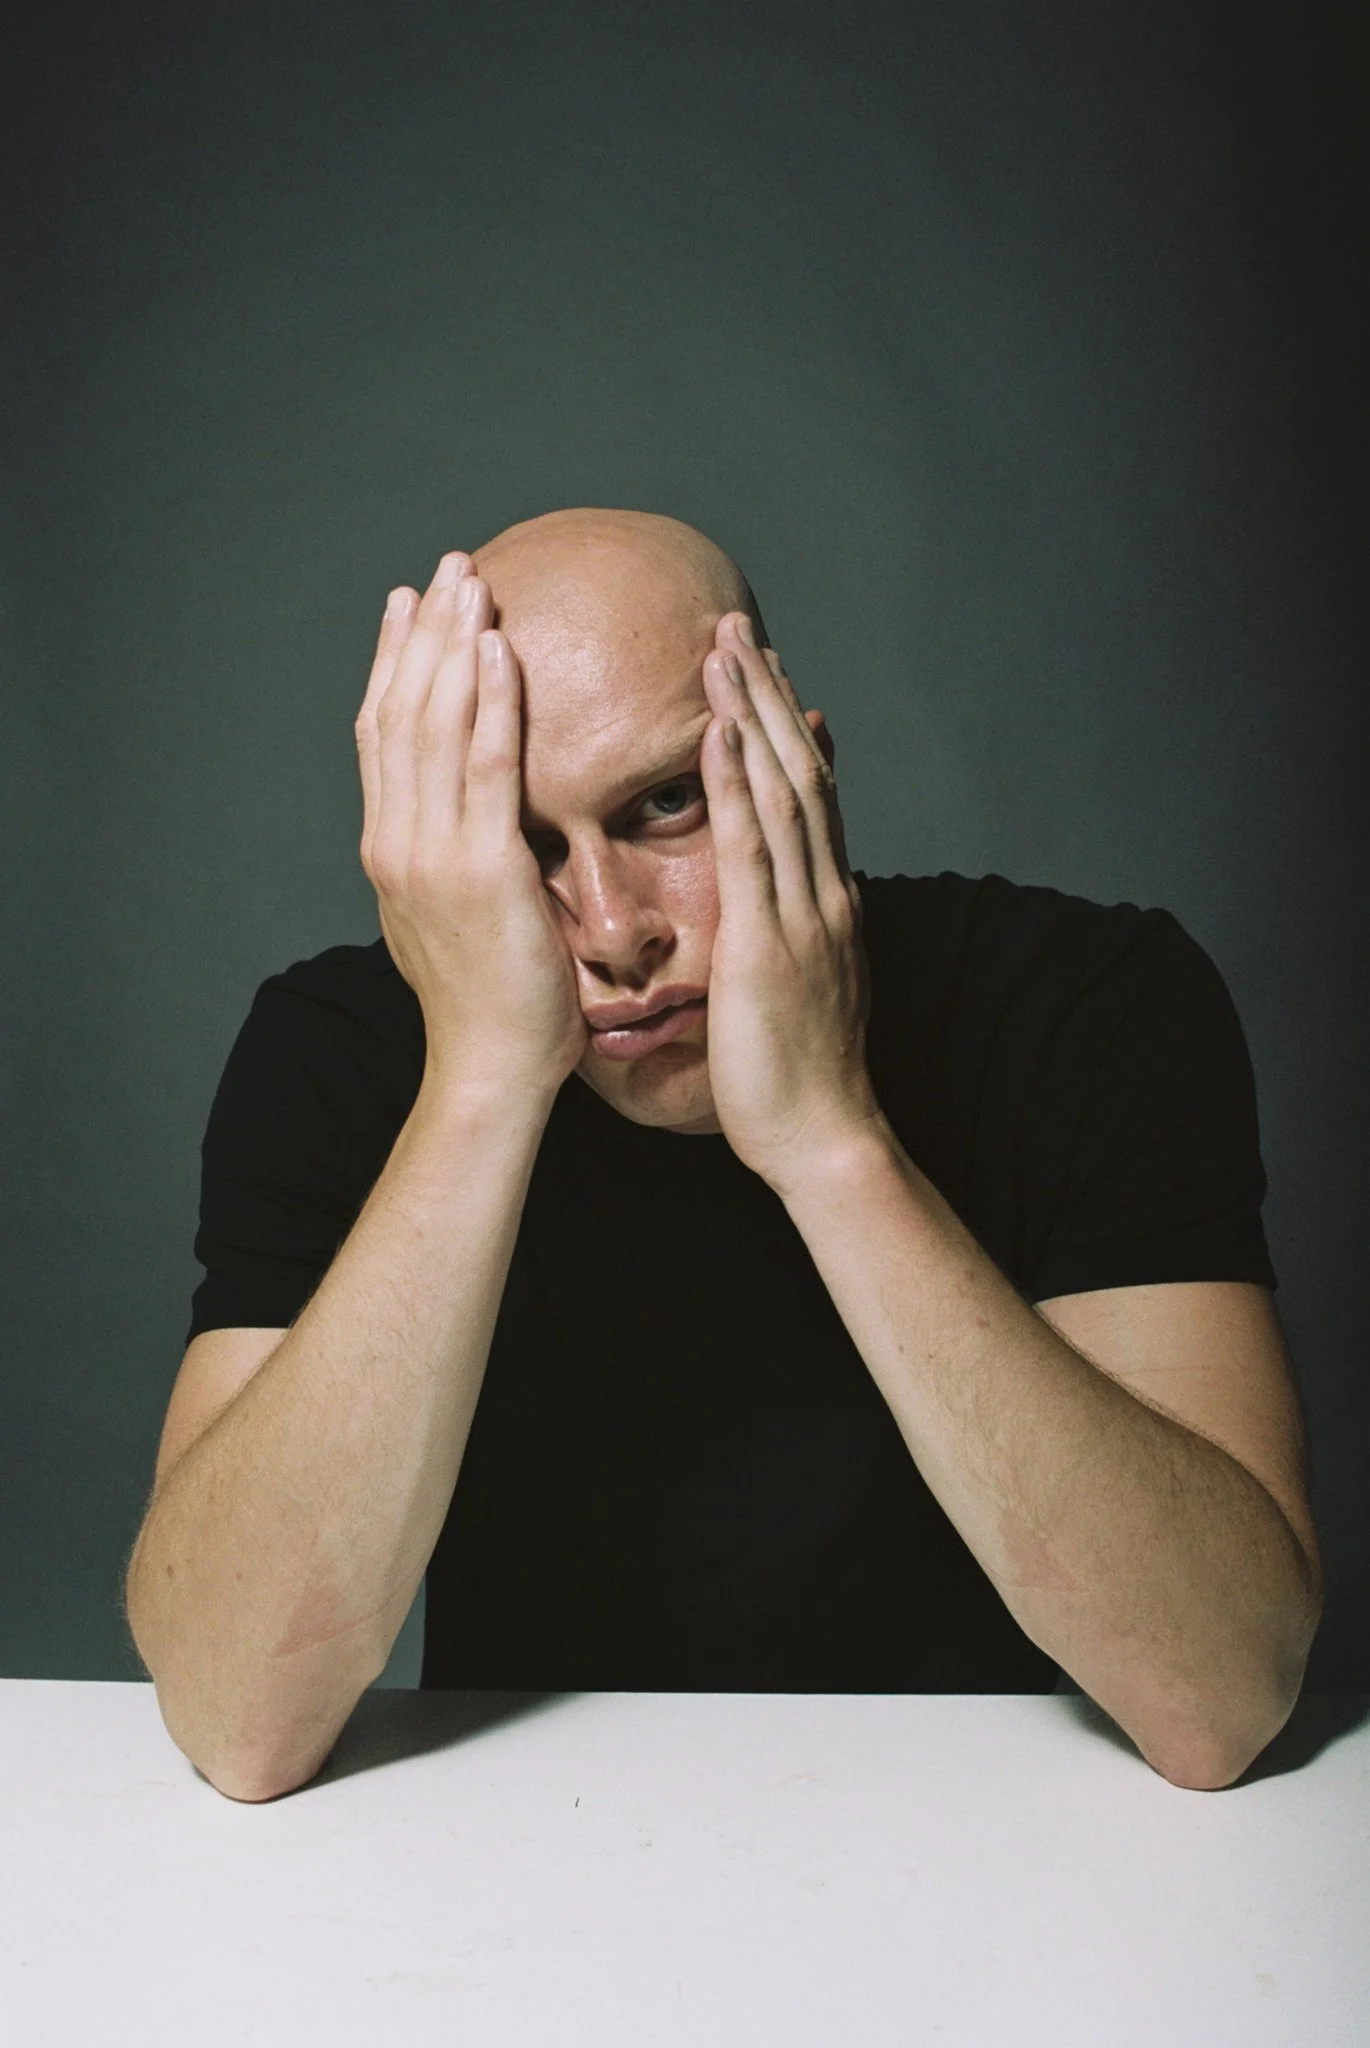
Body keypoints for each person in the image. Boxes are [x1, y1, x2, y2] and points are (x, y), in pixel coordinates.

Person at [124, 507, 1323, 1803]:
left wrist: (827, 1138)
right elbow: (237, 1720)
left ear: (798, 769)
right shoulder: (339, 1053)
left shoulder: (1085, 1001)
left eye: (663, 804)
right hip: (510, 1868)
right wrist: (478, 1089)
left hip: (1018, 1857)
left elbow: (1219, 1700)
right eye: (521, 846)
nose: (610, 929)